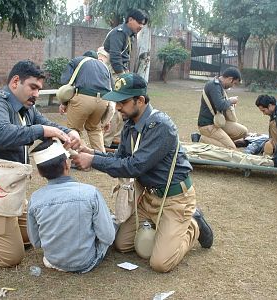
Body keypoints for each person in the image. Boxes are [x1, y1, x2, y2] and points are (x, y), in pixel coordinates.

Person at [72, 73, 213, 273]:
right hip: (149, 198)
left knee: (160, 263)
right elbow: (122, 159)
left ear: (140, 100)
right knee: (122, 245)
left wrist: (93, 161)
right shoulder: (130, 123)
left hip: (174, 200)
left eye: (123, 101)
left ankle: (193, 225)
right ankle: (164, 228)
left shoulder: (161, 126)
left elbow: (134, 167)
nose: (118, 107)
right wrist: (92, 152)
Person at [0, 60, 80, 267]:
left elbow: (47, 124)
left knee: (31, 237)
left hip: (11, 189)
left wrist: (68, 132)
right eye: (33, 87)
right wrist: (42, 131)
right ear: (15, 82)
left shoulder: (27, 108)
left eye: (39, 89)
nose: (37, 94)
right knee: (10, 257)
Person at [27, 138, 115, 273]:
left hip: (52, 261)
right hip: (86, 262)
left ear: (39, 173)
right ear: (67, 165)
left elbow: (36, 242)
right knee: (112, 221)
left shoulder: (35, 198)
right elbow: (108, 237)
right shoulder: (90, 193)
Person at [103, 9, 148, 150]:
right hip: (115, 71)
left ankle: (114, 138)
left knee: (126, 108)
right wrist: (123, 77)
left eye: (143, 24)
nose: (141, 26)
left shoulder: (130, 34)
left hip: (121, 71)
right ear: (130, 19)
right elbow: (115, 57)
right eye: (139, 22)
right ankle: (105, 142)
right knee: (118, 107)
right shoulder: (119, 33)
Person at [59, 49, 113, 152]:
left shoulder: (77, 61)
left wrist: (64, 103)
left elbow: (66, 83)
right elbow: (112, 89)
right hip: (103, 101)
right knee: (95, 129)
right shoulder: (104, 67)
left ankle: (80, 157)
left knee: (74, 129)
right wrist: (108, 117)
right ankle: (101, 158)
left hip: (83, 98)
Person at [197, 67, 248, 149]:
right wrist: (230, 101)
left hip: (217, 122)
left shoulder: (219, 85)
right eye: (234, 83)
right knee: (231, 148)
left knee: (243, 131)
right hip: (208, 125)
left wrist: (229, 104)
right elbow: (220, 105)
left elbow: (219, 104)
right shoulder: (214, 86)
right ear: (230, 79)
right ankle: (200, 139)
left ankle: (221, 141)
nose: (233, 86)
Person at [255, 94, 277, 166]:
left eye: (263, 110)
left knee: (274, 125)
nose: (264, 113)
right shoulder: (276, 108)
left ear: (270, 106)